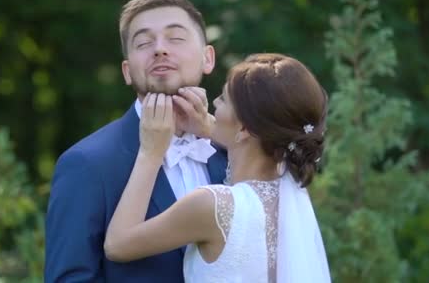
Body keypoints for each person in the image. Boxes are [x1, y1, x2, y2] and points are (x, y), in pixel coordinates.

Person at [45, 0, 228, 282]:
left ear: (208, 58)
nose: (159, 49)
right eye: (143, 42)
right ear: (128, 71)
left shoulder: (236, 151)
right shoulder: (86, 164)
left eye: (176, 38)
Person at [105, 53, 331, 282]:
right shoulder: (291, 191)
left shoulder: (214, 205)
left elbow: (117, 245)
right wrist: (209, 129)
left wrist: (150, 153)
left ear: (244, 130)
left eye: (223, 99)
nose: (213, 104)